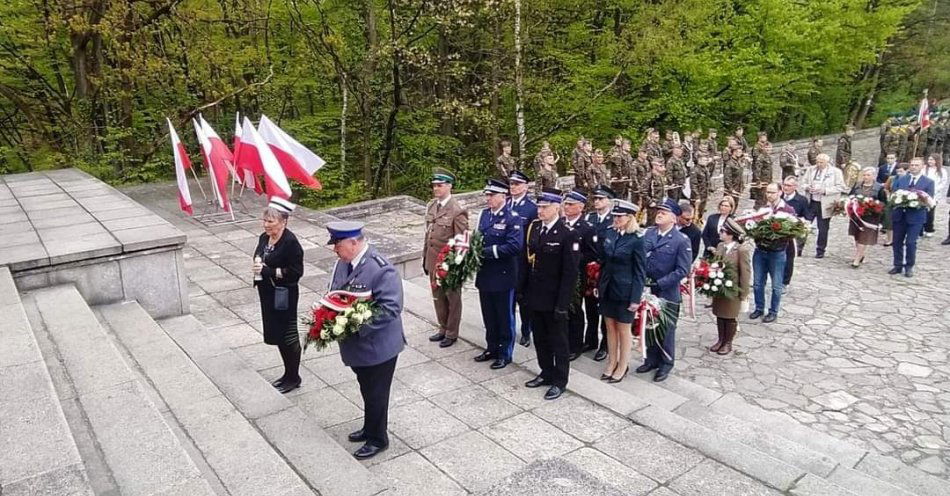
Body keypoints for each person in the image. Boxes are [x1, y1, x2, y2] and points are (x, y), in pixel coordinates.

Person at [326, 221, 406, 460]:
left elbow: (391, 308)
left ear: (354, 242)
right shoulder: (343, 263)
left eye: (337, 244)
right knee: (367, 389)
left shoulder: (381, 268)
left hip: (378, 347)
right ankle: (370, 427)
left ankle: (378, 439)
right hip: (358, 347)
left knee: (377, 393)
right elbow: (336, 292)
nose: (334, 249)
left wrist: (354, 325)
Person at [521, 188, 580, 400]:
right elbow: (528, 264)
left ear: (557, 207)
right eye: (539, 206)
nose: (540, 210)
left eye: (545, 207)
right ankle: (545, 372)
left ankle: (559, 381)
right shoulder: (536, 228)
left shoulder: (567, 234)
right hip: (536, 296)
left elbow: (570, 273)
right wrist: (524, 292)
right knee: (540, 339)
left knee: (559, 342)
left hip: (555, 299)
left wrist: (563, 305)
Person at [635, 199, 691, 382]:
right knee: (648, 325)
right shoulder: (649, 233)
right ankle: (650, 359)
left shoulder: (681, 240)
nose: (659, 214)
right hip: (647, 289)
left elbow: (683, 270)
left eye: (664, 212)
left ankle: (666, 364)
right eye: (659, 211)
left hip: (666, 292)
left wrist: (660, 283)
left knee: (666, 329)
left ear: (674, 218)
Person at [253, 198, 305, 394]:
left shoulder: (291, 243)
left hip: (285, 295)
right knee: (276, 334)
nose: (266, 225)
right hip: (267, 293)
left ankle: (294, 376)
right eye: (265, 220)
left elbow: (296, 272)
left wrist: (271, 272)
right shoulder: (263, 238)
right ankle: (287, 373)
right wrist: (258, 266)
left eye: (270, 221)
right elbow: (259, 256)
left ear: (283, 221)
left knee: (288, 335)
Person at [474, 179, 523, 368]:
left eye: (492, 195)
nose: (488, 199)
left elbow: (514, 246)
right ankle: (491, 347)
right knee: (489, 315)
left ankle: (505, 352)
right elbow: (478, 238)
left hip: (503, 274)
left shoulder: (512, 217)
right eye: (487, 195)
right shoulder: (484, 215)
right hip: (485, 274)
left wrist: (486, 252)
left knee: (504, 316)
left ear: (503, 196)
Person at [598, 200, 646, 383]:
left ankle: (623, 365)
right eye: (615, 215)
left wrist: (636, 298)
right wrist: (599, 286)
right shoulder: (610, 233)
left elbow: (640, 271)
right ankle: (612, 362)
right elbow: (604, 262)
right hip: (608, 288)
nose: (616, 219)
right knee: (609, 327)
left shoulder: (637, 239)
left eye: (620, 216)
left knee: (624, 330)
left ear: (629, 218)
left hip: (625, 290)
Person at [423, 168, 469, 348]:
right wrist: (425, 258)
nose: (436, 189)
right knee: (438, 296)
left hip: (449, 262)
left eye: (440, 185)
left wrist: (457, 264)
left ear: (449, 186)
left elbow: (463, 240)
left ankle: (452, 332)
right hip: (433, 259)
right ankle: (442, 327)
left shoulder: (457, 210)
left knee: (452, 297)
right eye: (434, 185)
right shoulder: (431, 206)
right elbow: (428, 235)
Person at [749, 183, 795, 323]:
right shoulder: (762, 209)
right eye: (768, 192)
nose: (769, 195)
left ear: (780, 192)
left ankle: (773, 311)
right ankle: (759, 308)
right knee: (757, 283)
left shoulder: (787, 210)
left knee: (776, 285)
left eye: (772, 192)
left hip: (777, 252)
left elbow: (792, 231)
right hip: (761, 250)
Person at [561, 189, 597, 360]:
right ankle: (563, 340)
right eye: (565, 204)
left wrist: (573, 257)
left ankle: (575, 345)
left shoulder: (586, 228)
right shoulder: (561, 223)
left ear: (581, 207)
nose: (566, 207)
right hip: (559, 273)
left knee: (575, 309)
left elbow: (593, 253)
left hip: (577, 275)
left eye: (570, 204)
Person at [709, 218, 752, 355]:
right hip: (720, 287)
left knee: (730, 316)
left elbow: (745, 272)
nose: (720, 233)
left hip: (733, 289)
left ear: (731, 234)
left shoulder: (741, 250)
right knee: (720, 314)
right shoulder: (721, 246)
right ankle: (721, 339)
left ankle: (728, 342)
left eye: (723, 231)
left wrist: (744, 293)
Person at [507, 170, 538, 347]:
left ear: (526, 187)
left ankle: (526, 330)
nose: (513, 187)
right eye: (511, 184)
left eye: (517, 184)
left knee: (523, 299)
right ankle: (509, 329)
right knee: (508, 299)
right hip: (506, 259)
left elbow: (533, 237)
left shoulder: (531, 209)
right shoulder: (506, 204)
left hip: (523, 261)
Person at [584, 185, 616, 361]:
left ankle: (605, 344)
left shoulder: (613, 219)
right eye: (595, 199)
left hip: (605, 269)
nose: (597, 202)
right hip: (590, 268)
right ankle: (590, 340)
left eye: (601, 199)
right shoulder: (590, 217)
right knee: (589, 307)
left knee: (603, 307)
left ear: (609, 201)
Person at [889, 158, 935, 278]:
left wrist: (916, 200)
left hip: (916, 217)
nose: (913, 167)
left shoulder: (928, 182)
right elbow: (894, 194)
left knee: (910, 242)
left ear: (922, 166)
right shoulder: (902, 179)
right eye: (912, 165)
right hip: (900, 215)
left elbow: (929, 200)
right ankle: (897, 265)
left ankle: (909, 266)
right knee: (897, 242)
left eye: (916, 165)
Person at [800, 153, 846, 258]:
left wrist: (825, 190)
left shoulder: (835, 172)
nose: (819, 164)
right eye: (817, 162)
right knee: (804, 225)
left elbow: (841, 187)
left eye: (821, 162)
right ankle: (799, 247)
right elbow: (803, 182)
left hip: (825, 204)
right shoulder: (811, 170)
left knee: (823, 228)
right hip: (811, 202)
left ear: (827, 162)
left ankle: (820, 250)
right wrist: (808, 187)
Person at [847, 167, 885, 268]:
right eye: (864, 175)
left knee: (863, 238)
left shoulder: (879, 188)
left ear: (873, 176)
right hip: (856, 215)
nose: (866, 177)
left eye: (868, 175)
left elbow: (883, 202)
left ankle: (857, 259)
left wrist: (873, 206)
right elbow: (850, 196)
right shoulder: (857, 185)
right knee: (856, 236)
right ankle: (861, 254)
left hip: (870, 217)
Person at [781, 176, 808, 289]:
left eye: (789, 185)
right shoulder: (779, 197)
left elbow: (807, 216)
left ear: (795, 186)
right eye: (784, 185)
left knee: (789, 258)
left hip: (792, 235)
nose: (785, 188)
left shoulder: (801, 200)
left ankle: (785, 282)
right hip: (777, 232)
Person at [923, 155, 948, 237]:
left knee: (930, 211)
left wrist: (935, 189)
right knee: (922, 210)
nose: (930, 161)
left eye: (932, 160)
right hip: (924, 192)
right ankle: (921, 228)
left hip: (935, 194)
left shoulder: (942, 171)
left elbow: (943, 182)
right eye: (929, 159)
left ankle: (929, 228)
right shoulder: (924, 169)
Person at [643, 157, 667, 226]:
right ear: (654, 166)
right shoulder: (650, 176)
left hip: (660, 203)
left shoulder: (659, 176)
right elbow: (643, 191)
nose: (663, 167)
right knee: (651, 223)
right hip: (653, 205)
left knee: (658, 223)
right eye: (660, 166)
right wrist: (650, 202)